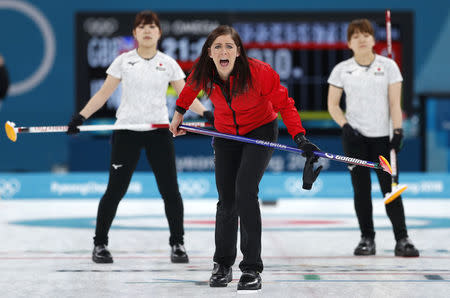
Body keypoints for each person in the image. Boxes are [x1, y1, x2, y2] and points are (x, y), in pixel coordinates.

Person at [170, 25, 322, 291]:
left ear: (238, 51)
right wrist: (179, 114)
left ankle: (251, 269)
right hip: (226, 133)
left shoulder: (260, 73)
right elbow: (189, 89)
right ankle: (223, 265)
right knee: (226, 199)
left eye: (229, 46)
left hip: (261, 130)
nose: (223, 51)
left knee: (245, 192)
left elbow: (285, 105)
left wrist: (300, 137)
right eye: (217, 46)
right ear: (209, 53)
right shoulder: (203, 71)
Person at [66, 11, 212, 264]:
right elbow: (102, 94)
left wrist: (207, 113)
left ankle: (177, 244)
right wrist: (80, 117)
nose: (147, 30)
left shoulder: (168, 62)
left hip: (159, 132)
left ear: (159, 33)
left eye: (152, 27)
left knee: (170, 191)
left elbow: (186, 97)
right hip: (127, 132)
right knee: (115, 190)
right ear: (135, 33)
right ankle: (99, 245)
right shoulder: (123, 61)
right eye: (142, 27)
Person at [327, 19, 419, 257]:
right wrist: (345, 125)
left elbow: (394, 103)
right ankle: (367, 238)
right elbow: (333, 105)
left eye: (366, 34)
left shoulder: (389, 66)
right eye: (356, 36)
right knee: (361, 190)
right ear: (349, 43)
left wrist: (397, 131)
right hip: (355, 139)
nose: (362, 38)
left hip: (383, 141)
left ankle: (403, 239)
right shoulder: (341, 69)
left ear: (374, 39)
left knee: (391, 190)